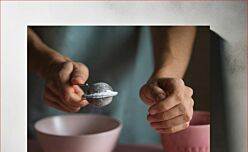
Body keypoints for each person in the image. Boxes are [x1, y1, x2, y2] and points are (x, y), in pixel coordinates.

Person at [28, 26, 196, 143]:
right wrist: (45, 64)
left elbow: (177, 9)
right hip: (45, 76)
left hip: (133, 87)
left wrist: (167, 74)